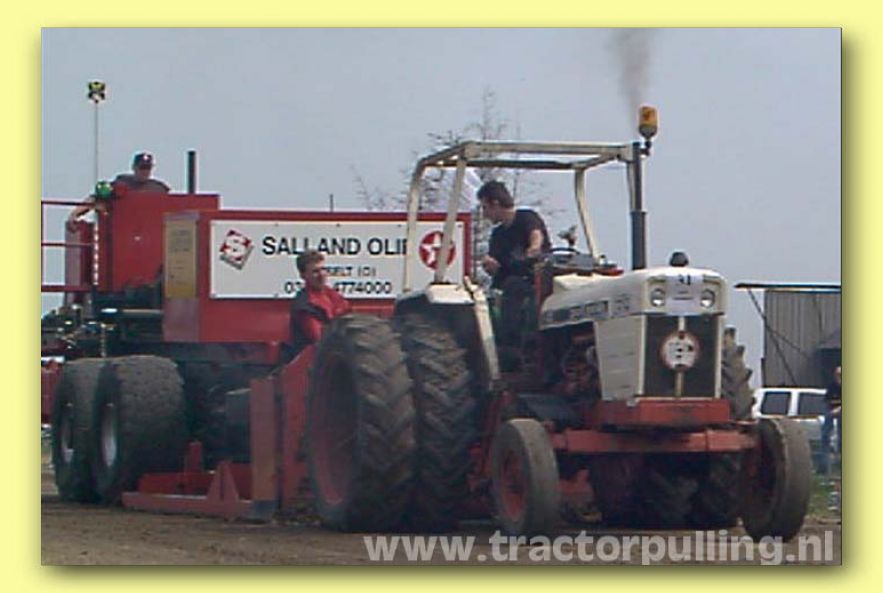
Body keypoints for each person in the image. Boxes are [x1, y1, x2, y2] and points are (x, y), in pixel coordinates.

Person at [476, 180, 550, 358]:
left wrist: (534, 248)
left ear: (495, 204)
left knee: (517, 287)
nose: (484, 214)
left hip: (536, 280)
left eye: (485, 208)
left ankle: (523, 344)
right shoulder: (498, 235)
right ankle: (508, 348)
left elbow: (535, 234)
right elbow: (496, 266)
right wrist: (489, 264)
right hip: (512, 285)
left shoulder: (526, 217)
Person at [67, 152, 170, 229]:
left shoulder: (159, 189)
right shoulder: (121, 183)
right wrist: (74, 214)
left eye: (148, 167)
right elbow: (96, 197)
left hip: (151, 233)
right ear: (134, 167)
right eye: (142, 167)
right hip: (121, 232)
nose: (145, 171)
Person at [288, 250, 352, 356]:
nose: (321, 275)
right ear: (303, 275)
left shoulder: (334, 296)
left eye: (323, 269)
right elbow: (320, 339)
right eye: (315, 271)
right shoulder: (304, 305)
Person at [820, 365, 842, 475]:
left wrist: (838, 409)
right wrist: (831, 411)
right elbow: (826, 400)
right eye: (837, 375)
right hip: (830, 411)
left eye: (840, 375)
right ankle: (825, 466)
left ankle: (840, 463)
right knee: (825, 435)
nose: (838, 377)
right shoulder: (832, 386)